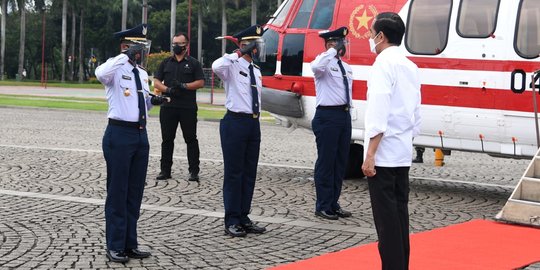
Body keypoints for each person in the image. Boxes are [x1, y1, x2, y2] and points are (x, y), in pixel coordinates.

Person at [95, 24, 166, 263]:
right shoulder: (115, 68)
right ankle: (115, 245)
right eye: (138, 47)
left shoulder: (142, 73)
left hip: (140, 135)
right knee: (118, 192)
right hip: (119, 134)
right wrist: (123, 56)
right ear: (127, 46)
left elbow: (142, 105)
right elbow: (100, 74)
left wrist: (154, 100)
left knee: (134, 192)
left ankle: (130, 243)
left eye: (143, 47)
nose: (142, 52)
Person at [361, 12, 422, 270]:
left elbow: (378, 111)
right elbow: (416, 114)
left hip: (383, 155)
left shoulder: (383, 65)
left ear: (381, 36)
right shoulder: (411, 66)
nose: (370, 38)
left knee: (386, 226)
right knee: (400, 219)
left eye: (372, 33)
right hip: (401, 151)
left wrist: (370, 154)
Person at [212, 25, 267, 237]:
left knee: (249, 173)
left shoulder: (256, 70)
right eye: (255, 45)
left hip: (253, 123)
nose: (258, 49)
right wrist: (238, 52)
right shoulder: (232, 66)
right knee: (234, 174)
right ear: (246, 46)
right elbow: (217, 66)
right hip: (235, 122)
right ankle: (232, 219)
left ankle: (244, 216)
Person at [310, 26, 353, 220]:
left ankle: (333, 202)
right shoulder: (323, 62)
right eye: (339, 43)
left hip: (343, 115)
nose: (343, 46)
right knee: (326, 162)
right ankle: (323, 205)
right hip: (327, 116)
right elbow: (315, 67)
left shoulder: (345, 67)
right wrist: (331, 50)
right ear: (330, 44)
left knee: (340, 162)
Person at [153, 33, 205, 181]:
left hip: (187, 107)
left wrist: (184, 86)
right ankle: (165, 170)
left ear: (186, 45)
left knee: (191, 139)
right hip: (168, 106)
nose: (176, 46)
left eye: (179, 43)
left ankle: (194, 171)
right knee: (167, 139)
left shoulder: (194, 63)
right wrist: (167, 89)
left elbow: (200, 82)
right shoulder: (166, 62)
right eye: (174, 43)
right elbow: (156, 81)